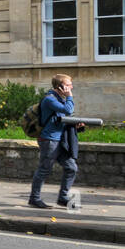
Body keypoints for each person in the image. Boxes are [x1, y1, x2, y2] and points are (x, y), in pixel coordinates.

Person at [29, 74, 84, 209]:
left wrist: (75, 124)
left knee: (71, 167)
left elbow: (63, 117)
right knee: (44, 169)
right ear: (60, 86)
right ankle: (34, 198)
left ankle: (63, 197)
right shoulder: (50, 99)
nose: (71, 87)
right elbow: (68, 110)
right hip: (49, 140)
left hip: (60, 140)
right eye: (68, 85)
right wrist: (69, 95)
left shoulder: (60, 99)